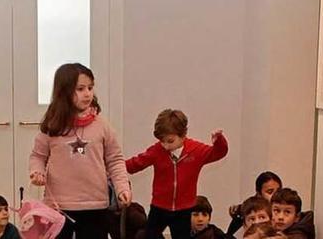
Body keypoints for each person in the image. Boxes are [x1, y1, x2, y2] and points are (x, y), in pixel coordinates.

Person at [29, 63, 132, 239]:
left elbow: (115, 159)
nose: (87, 93)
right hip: (59, 205)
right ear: (64, 92)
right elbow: (38, 156)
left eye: (90, 88)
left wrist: (122, 186)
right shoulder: (53, 126)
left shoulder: (102, 125)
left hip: (95, 205)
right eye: (80, 89)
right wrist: (36, 171)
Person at [126, 109, 227, 239]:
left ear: (183, 135)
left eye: (170, 141)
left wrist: (219, 140)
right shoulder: (157, 150)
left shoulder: (195, 150)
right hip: (159, 207)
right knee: (148, 236)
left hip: (184, 209)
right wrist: (113, 166)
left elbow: (219, 153)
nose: (165, 145)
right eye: (162, 141)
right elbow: (136, 164)